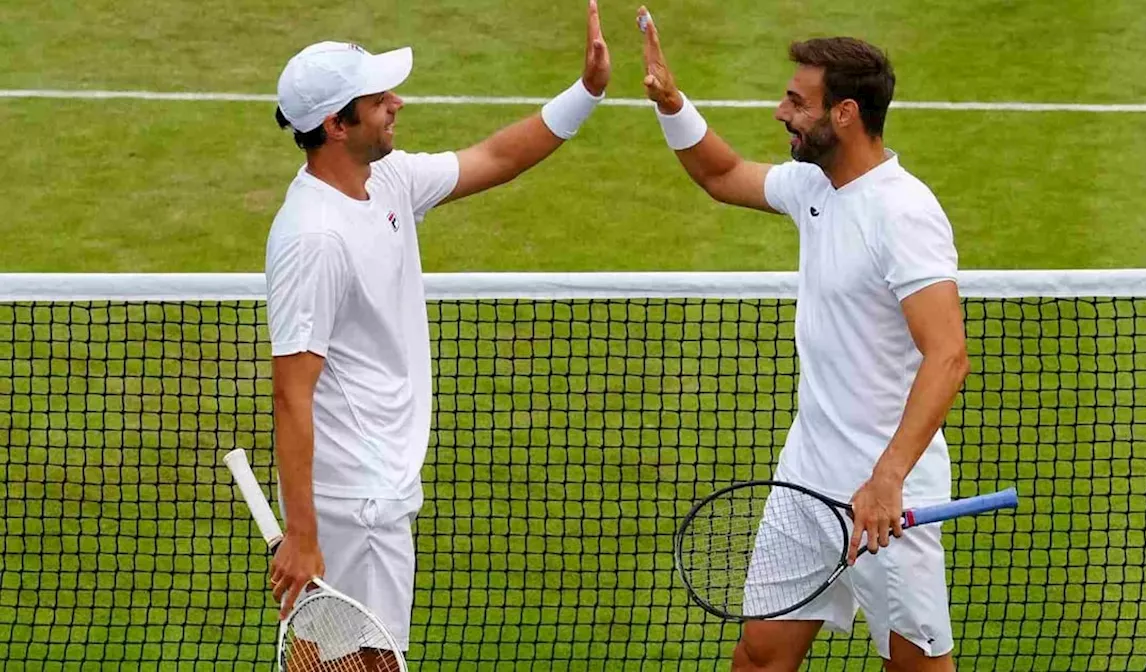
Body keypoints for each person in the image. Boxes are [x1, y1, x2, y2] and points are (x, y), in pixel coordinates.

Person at [262, 2, 612, 666]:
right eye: (377, 99)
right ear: (336, 126)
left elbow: (494, 157)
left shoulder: (384, 178)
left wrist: (587, 93)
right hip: (357, 500)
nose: (397, 102)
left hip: (370, 486)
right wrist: (304, 533)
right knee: (375, 663)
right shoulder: (314, 238)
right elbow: (291, 394)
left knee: (343, 659)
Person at [635, 7, 970, 672]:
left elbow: (948, 354)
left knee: (916, 667)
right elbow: (722, 174)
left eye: (796, 100)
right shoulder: (814, 186)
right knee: (759, 658)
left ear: (844, 113)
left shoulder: (903, 213)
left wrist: (887, 478)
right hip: (806, 480)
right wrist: (673, 103)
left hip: (888, 497)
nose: (779, 111)